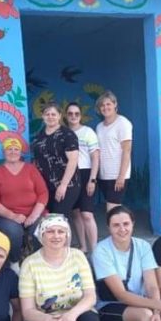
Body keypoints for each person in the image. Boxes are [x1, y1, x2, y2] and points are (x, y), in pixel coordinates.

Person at [0, 137, 48, 272]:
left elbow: (43, 193)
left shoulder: (30, 169)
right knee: (14, 232)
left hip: (33, 212)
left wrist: (34, 215)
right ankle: (14, 262)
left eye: (16, 149)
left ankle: (38, 260)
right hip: (8, 215)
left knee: (40, 228)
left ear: (21, 152)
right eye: (9, 149)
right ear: (4, 152)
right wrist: (13, 216)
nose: (13, 152)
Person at [32, 103, 80, 219]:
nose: (50, 117)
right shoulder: (40, 135)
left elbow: (73, 160)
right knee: (49, 219)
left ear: (59, 116)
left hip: (67, 184)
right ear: (43, 116)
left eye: (53, 114)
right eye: (47, 114)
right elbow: (37, 160)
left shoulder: (67, 134)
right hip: (46, 186)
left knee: (57, 218)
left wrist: (63, 186)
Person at [65, 102, 100, 254]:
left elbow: (95, 157)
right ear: (66, 115)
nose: (73, 116)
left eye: (77, 113)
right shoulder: (63, 133)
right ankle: (83, 246)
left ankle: (95, 250)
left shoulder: (88, 132)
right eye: (70, 113)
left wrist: (92, 179)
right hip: (70, 175)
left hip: (86, 174)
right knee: (75, 213)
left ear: (80, 115)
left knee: (87, 214)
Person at [95, 91, 132, 211]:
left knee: (112, 209)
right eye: (102, 105)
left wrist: (121, 176)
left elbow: (127, 151)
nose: (105, 107)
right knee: (113, 209)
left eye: (108, 104)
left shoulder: (123, 123)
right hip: (103, 175)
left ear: (115, 104)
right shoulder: (99, 126)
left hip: (117, 175)